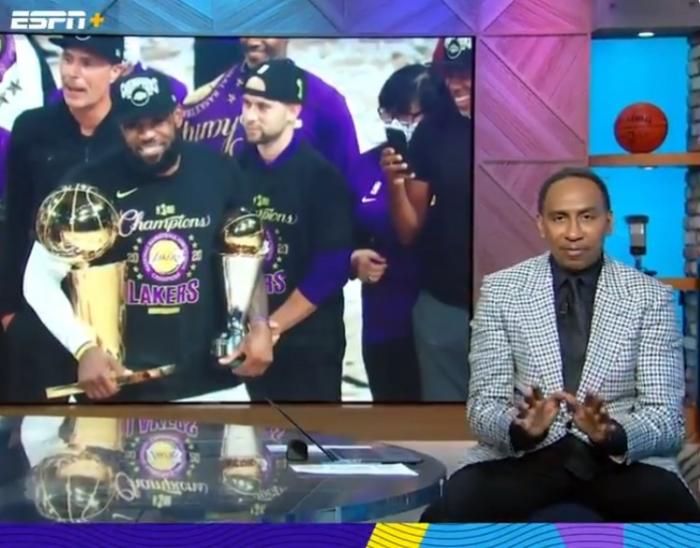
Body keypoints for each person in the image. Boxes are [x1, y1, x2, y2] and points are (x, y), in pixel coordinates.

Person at [421, 167, 700, 522]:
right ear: (541, 224)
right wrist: (521, 430)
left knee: (677, 515)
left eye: (587, 217)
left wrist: (612, 434)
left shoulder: (650, 297)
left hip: (617, 462)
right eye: (559, 218)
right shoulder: (502, 291)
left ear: (608, 222)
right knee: (453, 507)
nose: (573, 233)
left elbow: (666, 419)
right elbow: (483, 407)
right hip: (525, 459)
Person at [20, 69, 273, 402]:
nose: (147, 134)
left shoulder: (220, 171)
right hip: (119, 389)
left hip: (213, 384)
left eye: (157, 121)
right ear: (118, 126)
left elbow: (245, 254)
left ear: (177, 116)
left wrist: (258, 323)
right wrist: (84, 348)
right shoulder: (88, 185)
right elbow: (38, 280)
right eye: (134, 125)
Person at [0, 35, 126, 402]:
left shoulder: (130, 130)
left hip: (116, 309)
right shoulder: (32, 128)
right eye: (68, 59)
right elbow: (14, 221)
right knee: (39, 426)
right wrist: (9, 311)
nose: (72, 73)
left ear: (116, 71)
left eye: (87, 63)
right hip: (41, 303)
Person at [236, 58, 354, 402]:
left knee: (310, 432)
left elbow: (331, 268)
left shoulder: (321, 177)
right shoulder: (236, 169)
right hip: (250, 336)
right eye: (246, 104)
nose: (250, 115)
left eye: (263, 106)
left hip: (309, 343)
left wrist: (271, 328)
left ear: (293, 111)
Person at [381, 37, 475, 402]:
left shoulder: (520, 126)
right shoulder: (431, 132)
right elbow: (409, 231)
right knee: (441, 417)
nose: (457, 83)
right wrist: (395, 185)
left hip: (509, 305)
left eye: (467, 72)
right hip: (443, 300)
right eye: (449, 74)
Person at [349, 64, 435, 402]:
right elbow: (338, 235)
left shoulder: (451, 163)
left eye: (409, 116)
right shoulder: (362, 167)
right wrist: (353, 259)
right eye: (390, 114)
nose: (399, 123)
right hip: (383, 321)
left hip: (439, 317)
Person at [181, 38, 360, 178]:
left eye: (265, 30)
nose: (253, 41)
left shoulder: (326, 103)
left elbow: (350, 186)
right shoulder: (200, 104)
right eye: (247, 27)